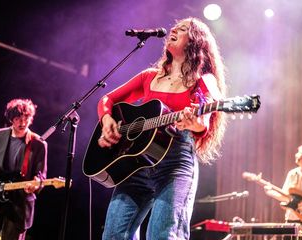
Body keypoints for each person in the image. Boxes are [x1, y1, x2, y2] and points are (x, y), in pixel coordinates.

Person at [96, 17, 227, 239]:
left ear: (195, 42)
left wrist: (193, 123)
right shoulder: (149, 77)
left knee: (163, 235)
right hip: (137, 164)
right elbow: (108, 99)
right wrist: (106, 119)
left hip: (175, 164)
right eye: (175, 26)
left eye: (183, 29)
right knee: (113, 235)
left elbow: (203, 120)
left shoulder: (204, 80)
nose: (174, 28)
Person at [0, 98, 47, 240]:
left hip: (19, 203)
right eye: (18, 119)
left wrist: (35, 183)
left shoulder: (39, 143)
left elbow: (41, 175)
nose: (22, 123)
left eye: (26, 118)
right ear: (10, 119)